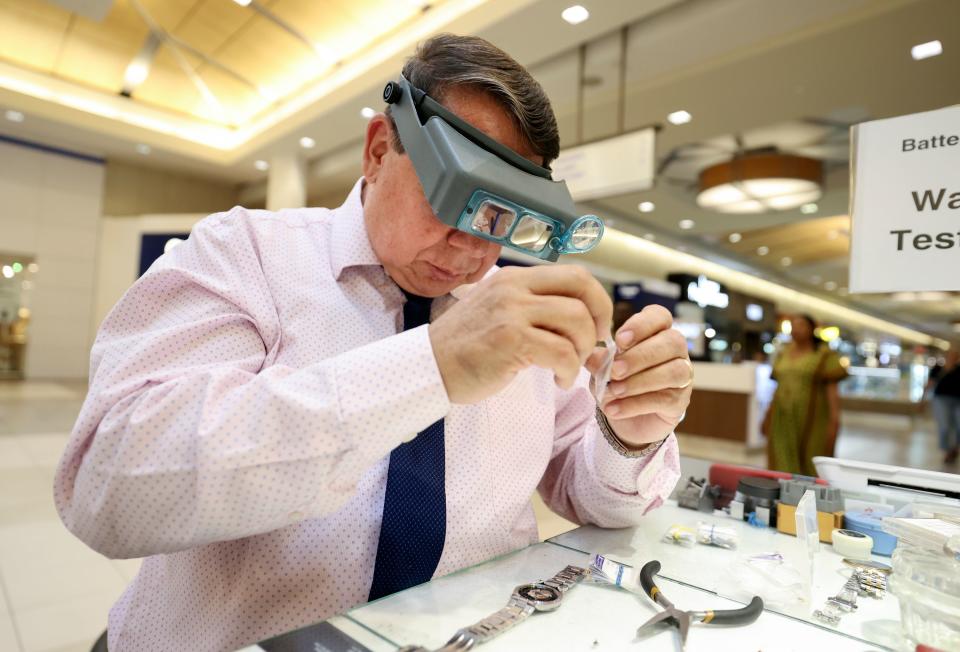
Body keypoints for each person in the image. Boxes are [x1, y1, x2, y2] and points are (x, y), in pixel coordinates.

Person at [54, 35, 691, 651]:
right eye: (455, 199)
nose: (472, 250)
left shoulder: (516, 313)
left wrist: (628, 434)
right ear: (380, 150)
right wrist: (432, 366)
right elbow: (107, 488)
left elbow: (590, 498)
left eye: (504, 220)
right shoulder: (242, 255)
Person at [762, 314, 847, 475]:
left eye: (801, 325)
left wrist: (834, 420)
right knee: (781, 456)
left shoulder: (824, 355)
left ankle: (806, 498)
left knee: (810, 457)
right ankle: (783, 495)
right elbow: (778, 385)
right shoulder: (783, 352)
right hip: (781, 417)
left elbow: (832, 390)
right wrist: (768, 413)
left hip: (812, 419)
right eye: (793, 325)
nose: (796, 330)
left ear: (812, 329)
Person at [930, 349, 960, 464]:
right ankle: (947, 450)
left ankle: (955, 447)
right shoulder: (938, 369)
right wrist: (921, 401)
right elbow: (930, 383)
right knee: (945, 426)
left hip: (958, 400)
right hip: (941, 400)